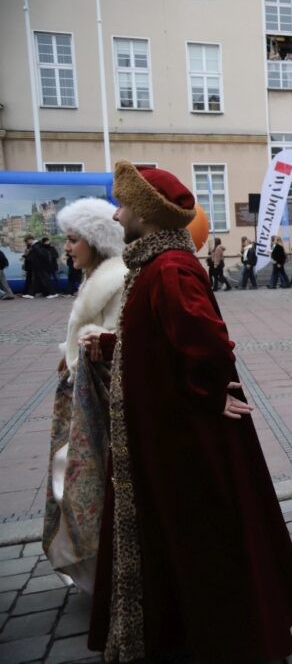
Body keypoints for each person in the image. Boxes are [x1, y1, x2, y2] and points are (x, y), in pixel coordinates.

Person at [82, 161, 292, 661]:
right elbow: (163, 340)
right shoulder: (155, 265)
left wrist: (209, 393)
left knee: (206, 534)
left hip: (185, 434)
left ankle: (226, 633)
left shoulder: (169, 268)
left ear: (145, 213)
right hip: (171, 428)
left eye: (123, 206)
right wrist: (118, 344)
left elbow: (206, 342)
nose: (117, 217)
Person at [43, 198, 128, 593]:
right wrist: (71, 353)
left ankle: (109, 574)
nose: (67, 247)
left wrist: (86, 351)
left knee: (93, 486)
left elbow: (120, 345)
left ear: (96, 240)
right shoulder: (95, 278)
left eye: (74, 239)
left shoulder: (117, 279)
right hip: (85, 398)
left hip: (104, 407)